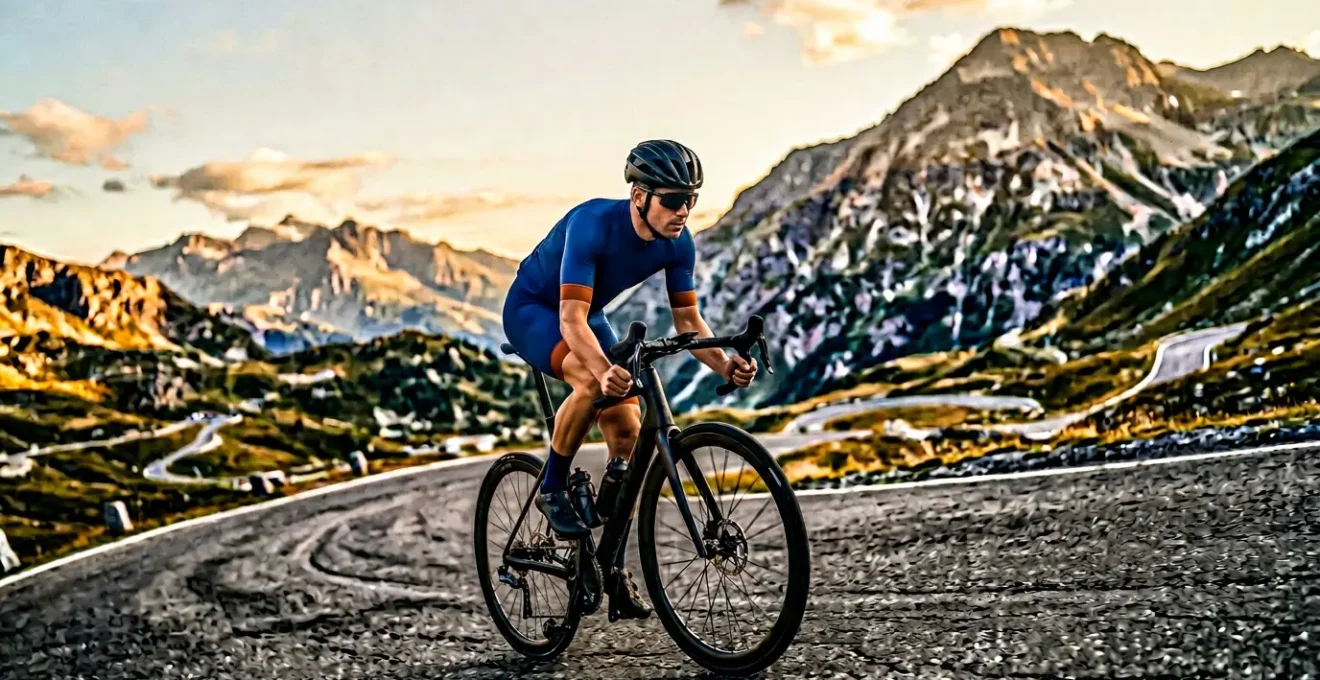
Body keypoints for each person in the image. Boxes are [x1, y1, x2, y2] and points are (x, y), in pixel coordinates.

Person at [500, 139, 758, 621]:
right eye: (673, 200)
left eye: (692, 200)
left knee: (628, 431)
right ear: (639, 195)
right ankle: (552, 487)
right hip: (536, 310)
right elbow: (571, 321)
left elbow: (688, 324)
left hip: (586, 313)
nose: (684, 211)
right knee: (594, 381)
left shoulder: (679, 243)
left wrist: (724, 364)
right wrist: (602, 370)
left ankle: (611, 564)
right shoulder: (592, 224)